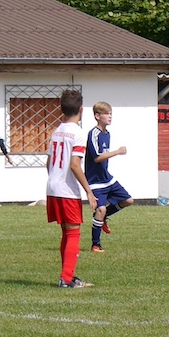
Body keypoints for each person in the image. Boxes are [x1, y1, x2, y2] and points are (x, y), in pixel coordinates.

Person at [46, 89, 97, 288]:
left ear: (62, 109)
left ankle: (69, 275)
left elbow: (49, 162)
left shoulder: (56, 131)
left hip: (53, 188)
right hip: (67, 190)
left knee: (66, 233)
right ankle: (66, 279)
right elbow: (75, 165)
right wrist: (89, 191)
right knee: (74, 233)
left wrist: (55, 178)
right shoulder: (78, 133)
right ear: (81, 109)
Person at [85, 101, 134, 253]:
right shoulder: (93, 134)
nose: (110, 116)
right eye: (106, 114)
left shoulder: (107, 134)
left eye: (111, 113)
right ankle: (95, 245)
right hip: (95, 181)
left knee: (128, 200)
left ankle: (104, 217)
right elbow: (97, 158)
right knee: (100, 210)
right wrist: (117, 152)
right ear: (97, 116)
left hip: (107, 178)